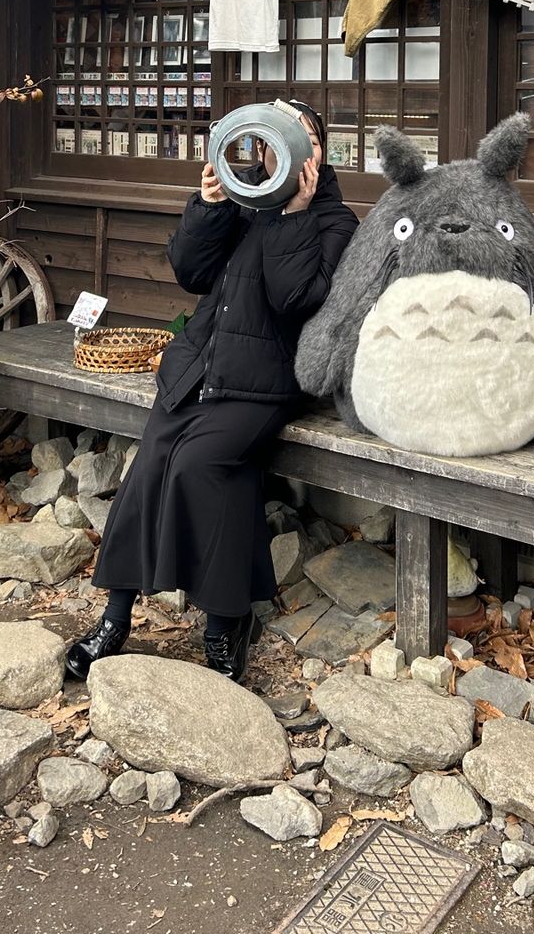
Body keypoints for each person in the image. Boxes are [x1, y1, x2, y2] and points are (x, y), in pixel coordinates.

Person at [66, 99, 358, 683]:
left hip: (265, 381)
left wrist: (295, 212)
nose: (289, 144)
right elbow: (191, 273)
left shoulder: (334, 222)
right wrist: (207, 204)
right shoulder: (240, 196)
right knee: (150, 464)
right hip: (197, 366)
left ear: (318, 153)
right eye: (278, 134)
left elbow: (294, 299)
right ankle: (116, 617)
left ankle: (224, 626)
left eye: (304, 134)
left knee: (200, 464)